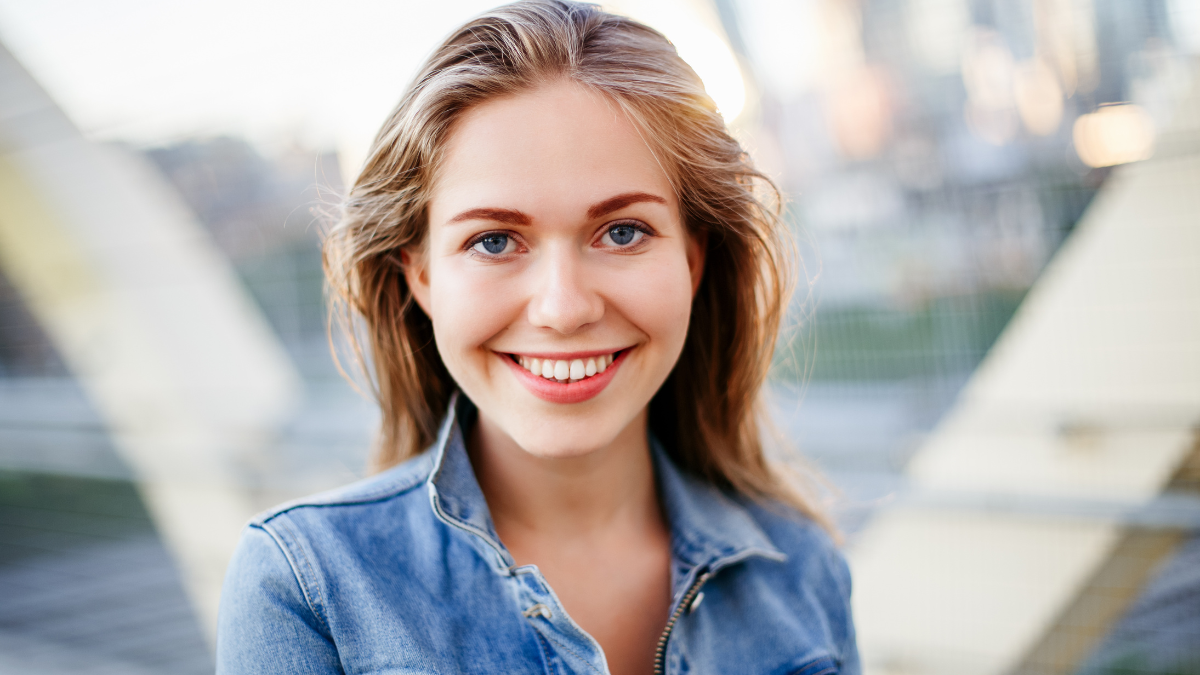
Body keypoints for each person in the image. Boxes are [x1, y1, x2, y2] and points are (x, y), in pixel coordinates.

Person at [216, 1, 858, 673]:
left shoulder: (804, 572)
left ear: (693, 259)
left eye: (623, 231)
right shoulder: (307, 589)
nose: (563, 307)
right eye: (494, 240)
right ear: (422, 275)